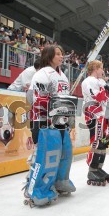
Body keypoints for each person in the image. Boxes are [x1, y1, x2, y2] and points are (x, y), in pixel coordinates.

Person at [24, 45, 76, 206]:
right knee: (44, 155)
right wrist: (54, 110)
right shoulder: (42, 74)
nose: (62, 57)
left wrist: (69, 113)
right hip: (43, 121)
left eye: (62, 53)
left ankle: (59, 180)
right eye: (58, 54)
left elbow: (64, 99)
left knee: (64, 152)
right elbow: (37, 100)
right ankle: (34, 188)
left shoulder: (63, 76)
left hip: (60, 122)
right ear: (49, 56)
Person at [82, 61, 109, 185]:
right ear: (95, 68)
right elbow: (97, 98)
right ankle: (92, 169)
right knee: (97, 142)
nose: (103, 71)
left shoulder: (102, 82)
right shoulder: (88, 81)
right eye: (101, 68)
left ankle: (98, 167)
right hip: (93, 115)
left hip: (103, 115)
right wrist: (107, 89)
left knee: (103, 143)